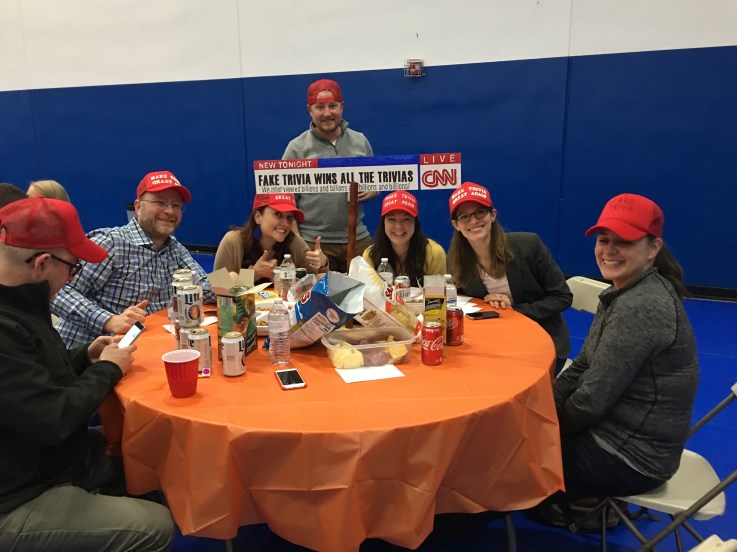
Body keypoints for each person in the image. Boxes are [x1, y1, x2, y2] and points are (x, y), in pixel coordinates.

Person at [0, 197, 174, 551]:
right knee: (156, 526)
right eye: (73, 268)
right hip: (19, 494)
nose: (72, 277)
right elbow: (53, 417)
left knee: (148, 446)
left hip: (50, 458)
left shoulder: (23, 304)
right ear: (43, 263)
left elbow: (37, 380)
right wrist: (109, 368)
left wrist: (84, 356)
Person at [553, 193, 698, 500]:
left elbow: (590, 402)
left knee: (508, 456)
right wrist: (545, 406)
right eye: (604, 239)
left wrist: (542, 427)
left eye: (625, 241)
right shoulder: (624, 290)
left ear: (653, 248)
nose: (609, 250)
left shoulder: (641, 306)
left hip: (631, 459)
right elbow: (583, 364)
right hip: (617, 435)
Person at [52, 170, 214, 348]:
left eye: (176, 205)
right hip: (85, 355)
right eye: (160, 202)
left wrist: (238, 279)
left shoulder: (174, 248)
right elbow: (58, 292)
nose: (169, 211)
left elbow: (204, 285)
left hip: (140, 349)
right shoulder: (110, 242)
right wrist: (109, 320)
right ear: (138, 207)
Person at [447, 182, 572, 370]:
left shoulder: (529, 245)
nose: (473, 221)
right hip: (493, 341)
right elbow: (459, 304)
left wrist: (513, 309)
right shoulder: (455, 261)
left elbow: (563, 297)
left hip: (542, 338)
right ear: (456, 225)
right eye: (464, 217)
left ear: (492, 215)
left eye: (480, 212)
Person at [282, 78, 378, 271]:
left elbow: (375, 182)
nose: (327, 113)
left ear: (342, 107)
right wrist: (298, 242)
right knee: (318, 298)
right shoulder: (297, 148)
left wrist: (372, 192)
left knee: (367, 295)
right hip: (313, 241)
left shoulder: (360, 141)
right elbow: (286, 202)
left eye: (333, 106)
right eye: (320, 107)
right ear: (310, 110)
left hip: (357, 237)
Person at [214, 193, 329, 283]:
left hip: (280, 312)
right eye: (278, 214)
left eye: (289, 218)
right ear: (258, 217)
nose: (285, 223)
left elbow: (316, 283)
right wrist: (254, 274)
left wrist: (323, 264)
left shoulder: (295, 242)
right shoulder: (233, 241)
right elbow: (217, 289)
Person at [362, 190, 446, 284]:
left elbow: (437, 297)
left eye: (406, 219)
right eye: (392, 219)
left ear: (415, 223)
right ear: (383, 223)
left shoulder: (434, 254)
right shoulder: (370, 255)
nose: (399, 227)